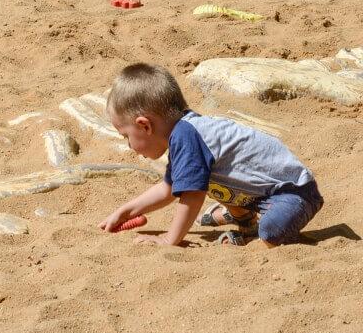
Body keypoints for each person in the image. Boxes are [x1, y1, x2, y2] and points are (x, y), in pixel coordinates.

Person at [98, 63, 324, 247]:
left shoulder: (187, 136)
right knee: (209, 176)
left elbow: (192, 196)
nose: (129, 145)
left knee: (272, 232)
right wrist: (125, 211)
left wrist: (169, 239)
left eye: (125, 136)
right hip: (260, 193)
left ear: (144, 125)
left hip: (293, 195)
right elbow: (168, 189)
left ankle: (252, 232)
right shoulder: (184, 132)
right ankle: (242, 215)